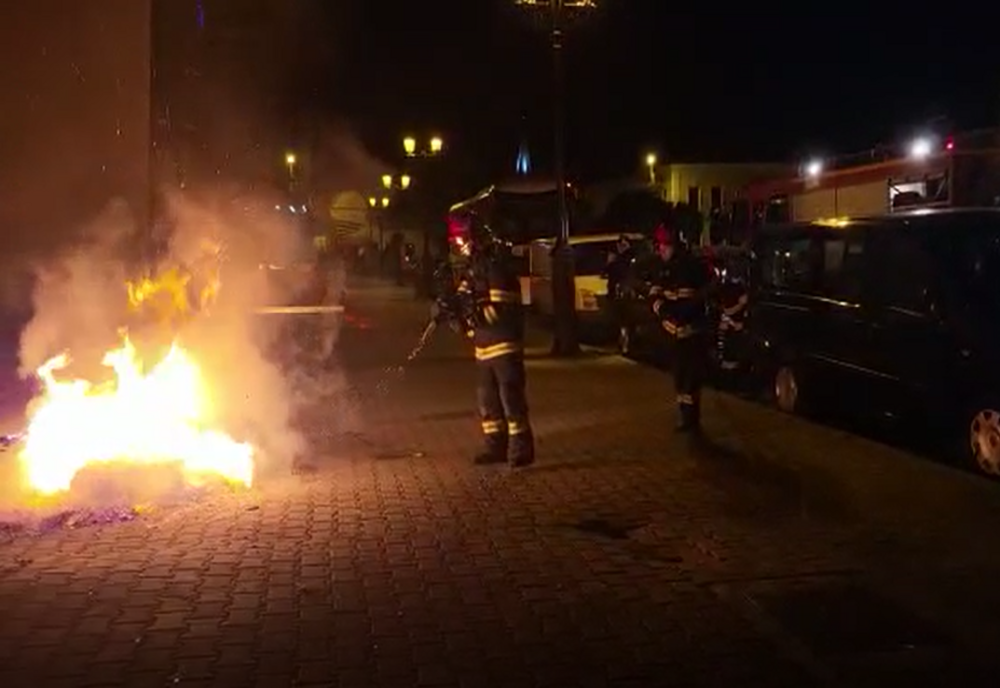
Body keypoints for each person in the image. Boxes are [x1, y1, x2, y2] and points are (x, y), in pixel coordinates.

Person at [438, 214, 535, 467]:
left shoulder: (497, 268)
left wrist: (471, 313)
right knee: (488, 402)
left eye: (462, 241)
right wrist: (449, 311)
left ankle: (521, 450)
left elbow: (501, 309)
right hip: (483, 349)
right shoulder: (474, 270)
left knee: (511, 400)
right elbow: (463, 302)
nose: (460, 247)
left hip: (504, 347)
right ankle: (496, 447)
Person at [648, 221, 711, 432]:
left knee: (690, 379)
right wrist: (664, 311)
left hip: (691, 332)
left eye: (662, 246)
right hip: (674, 333)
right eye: (658, 247)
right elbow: (654, 295)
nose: (660, 251)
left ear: (672, 245)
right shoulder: (664, 268)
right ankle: (686, 418)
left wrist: (679, 315)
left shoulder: (689, 266)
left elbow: (696, 297)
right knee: (680, 377)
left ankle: (691, 420)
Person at [602, 234, 634, 337]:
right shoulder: (616, 259)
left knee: (624, 318)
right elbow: (606, 273)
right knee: (620, 318)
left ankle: (626, 340)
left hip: (625, 293)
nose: (621, 247)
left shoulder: (629, 258)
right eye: (620, 245)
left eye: (624, 245)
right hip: (616, 293)